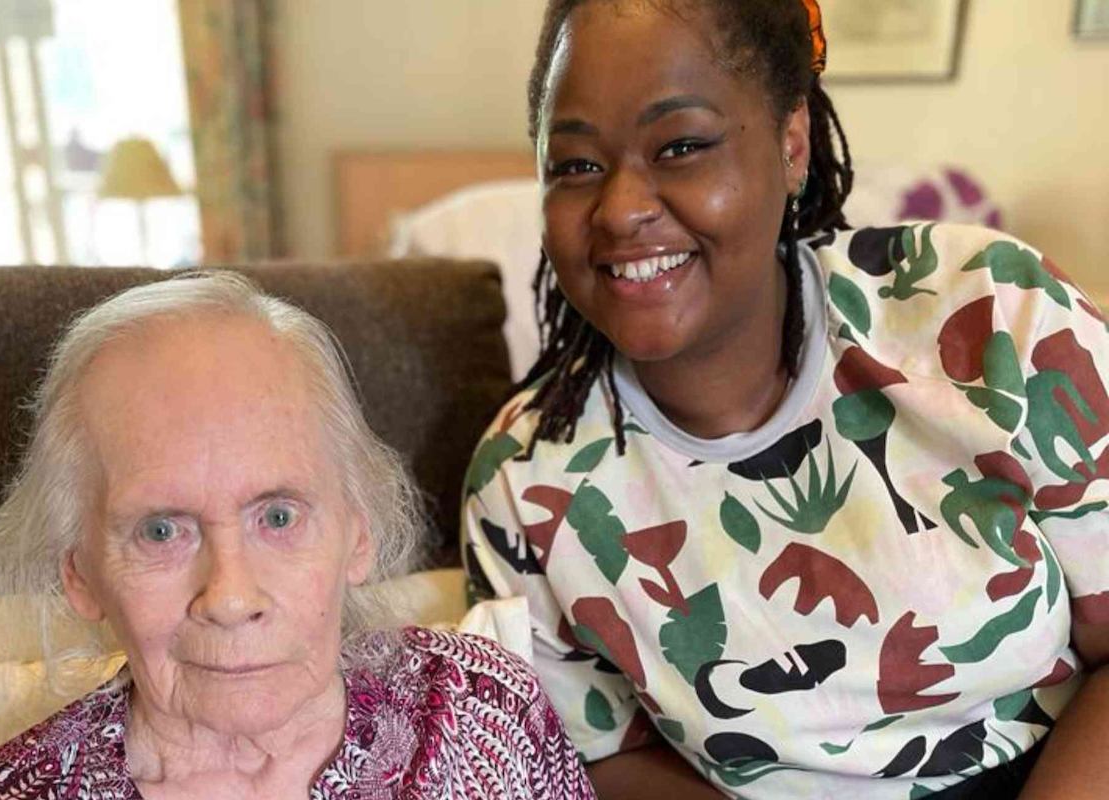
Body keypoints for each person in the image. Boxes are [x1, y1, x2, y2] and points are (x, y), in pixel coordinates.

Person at [461, 1, 1109, 798]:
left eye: (682, 146)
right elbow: (600, 755)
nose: (621, 209)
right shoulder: (524, 486)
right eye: (575, 166)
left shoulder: (995, 317)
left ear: (792, 144)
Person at [0, 272, 594, 800]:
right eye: (160, 531)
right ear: (78, 572)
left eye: (278, 517)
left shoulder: (485, 709)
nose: (232, 598)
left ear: (358, 531)